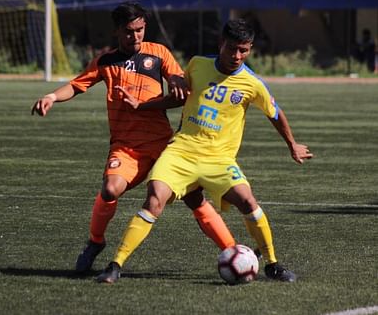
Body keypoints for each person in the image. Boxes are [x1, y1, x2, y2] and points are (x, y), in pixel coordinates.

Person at [97, 18, 314, 284]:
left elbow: (275, 113)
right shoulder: (197, 65)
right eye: (231, 48)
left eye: (243, 50)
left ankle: (272, 264)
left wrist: (292, 144)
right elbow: (177, 97)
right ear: (221, 43)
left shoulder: (251, 83)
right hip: (181, 152)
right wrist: (141, 106)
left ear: (250, 49)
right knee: (154, 200)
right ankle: (115, 265)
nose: (236, 55)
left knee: (248, 202)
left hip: (219, 160)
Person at [31, 2, 236, 273]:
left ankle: (232, 251)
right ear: (117, 31)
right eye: (129, 31)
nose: (136, 36)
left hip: (163, 145)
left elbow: (177, 78)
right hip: (126, 147)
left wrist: (176, 82)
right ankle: (95, 242)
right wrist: (52, 96)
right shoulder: (106, 62)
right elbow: (77, 85)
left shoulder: (159, 53)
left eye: (140, 29)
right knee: (110, 189)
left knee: (194, 198)